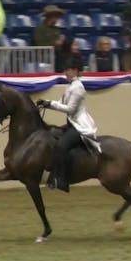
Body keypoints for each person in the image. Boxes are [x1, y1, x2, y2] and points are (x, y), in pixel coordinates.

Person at [35, 56, 99, 193]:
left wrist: (50, 104)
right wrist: (45, 103)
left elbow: (70, 109)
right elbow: (61, 103)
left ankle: (63, 181)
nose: (65, 72)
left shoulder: (78, 88)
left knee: (61, 145)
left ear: (75, 70)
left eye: (68, 70)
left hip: (80, 127)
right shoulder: (70, 86)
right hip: (71, 124)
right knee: (51, 134)